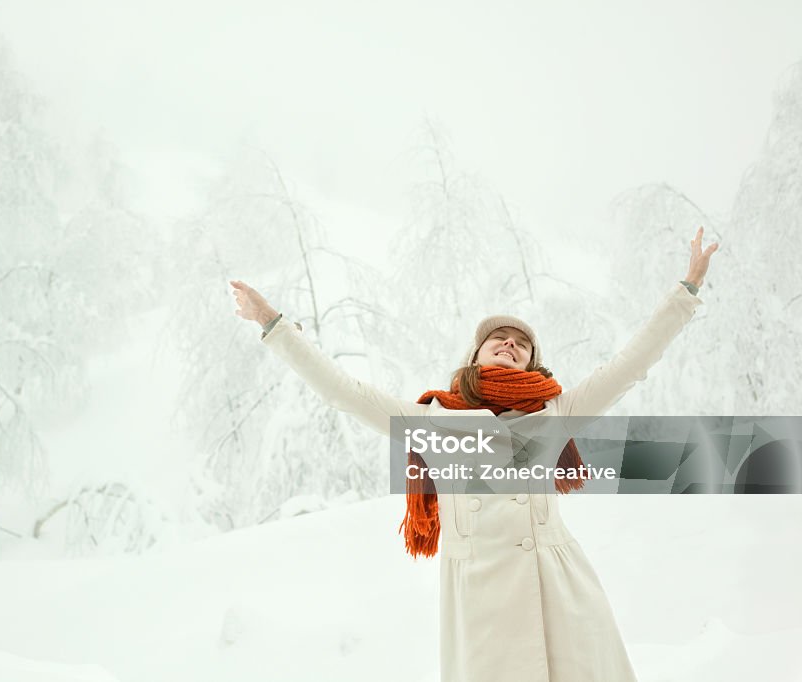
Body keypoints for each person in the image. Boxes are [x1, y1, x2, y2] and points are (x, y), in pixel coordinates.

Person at [230, 227, 719, 682]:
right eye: (499, 338)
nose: (511, 343)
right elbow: (345, 392)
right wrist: (272, 323)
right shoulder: (435, 421)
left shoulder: (556, 410)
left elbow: (630, 364)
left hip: (559, 587)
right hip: (481, 599)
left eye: (522, 344)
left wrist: (686, 291)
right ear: (476, 355)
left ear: (532, 362)